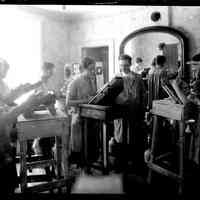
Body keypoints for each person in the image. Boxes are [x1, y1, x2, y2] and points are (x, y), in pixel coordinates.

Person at [113, 54, 147, 175]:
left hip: (135, 113)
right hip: (121, 115)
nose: (124, 68)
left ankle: (135, 166)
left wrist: (143, 111)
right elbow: (111, 96)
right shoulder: (116, 78)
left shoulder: (137, 78)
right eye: (122, 65)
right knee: (120, 140)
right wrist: (119, 101)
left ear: (130, 64)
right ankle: (121, 167)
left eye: (126, 65)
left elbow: (143, 94)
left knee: (135, 139)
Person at [66, 57, 98, 166]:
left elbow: (93, 96)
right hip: (79, 118)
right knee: (79, 148)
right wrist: (85, 100)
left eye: (94, 69)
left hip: (90, 118)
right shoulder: (75, 82)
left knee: (90, 148)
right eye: (90, 69)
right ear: (83, 69)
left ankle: (88, 165)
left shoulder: (92, 80)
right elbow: (68, 102)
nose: (93, 71)